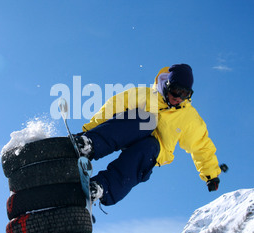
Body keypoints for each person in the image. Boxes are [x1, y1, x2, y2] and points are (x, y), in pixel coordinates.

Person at [74, 64, 222, 206]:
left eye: (185, 94)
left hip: (153, 149)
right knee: (147, 119)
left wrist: (211, 174)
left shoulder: (188, 117)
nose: (179, 98)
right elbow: (114, 106)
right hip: (128, 131)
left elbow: (201, 145)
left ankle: (101, 187)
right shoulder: (146, 95)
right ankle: (90, 145)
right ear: (168, 86)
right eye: (176, 91)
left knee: (148, 147)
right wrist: (90, 131)